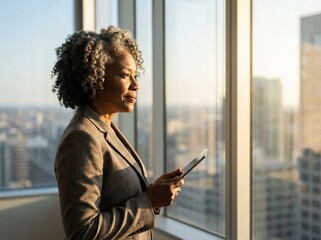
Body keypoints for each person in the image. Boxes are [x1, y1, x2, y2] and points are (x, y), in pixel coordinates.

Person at [51, 26, 185, 240]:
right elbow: (82, 233)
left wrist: (153, 194)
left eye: (135, 75)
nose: (136, 85)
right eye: (125, 75)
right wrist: (148, 201)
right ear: (94, 78)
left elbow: (114, 197)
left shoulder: (105, 128)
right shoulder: (82, 138)